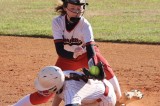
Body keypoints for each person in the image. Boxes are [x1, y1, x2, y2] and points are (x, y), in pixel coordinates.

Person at [13, 0, 121, 105]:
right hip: (67, 58)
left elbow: (91, 50)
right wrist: (73, 55)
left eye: (79, 8)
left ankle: (121, 99)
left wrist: (92, 66)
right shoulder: (58, 22)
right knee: (46, 92)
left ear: (84, 8)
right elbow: (60, 50)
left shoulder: (85, 25)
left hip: (86, 55)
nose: (76, 11)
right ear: (65, 8)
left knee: (107, 73)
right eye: (72, 8)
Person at [13, 66, 117, 106]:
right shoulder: (61, 75)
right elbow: (59, 91)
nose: (43, 91)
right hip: (99, 87)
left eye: (47, 88)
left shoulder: (71, 93)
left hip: (104, 100)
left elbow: (65, 92)